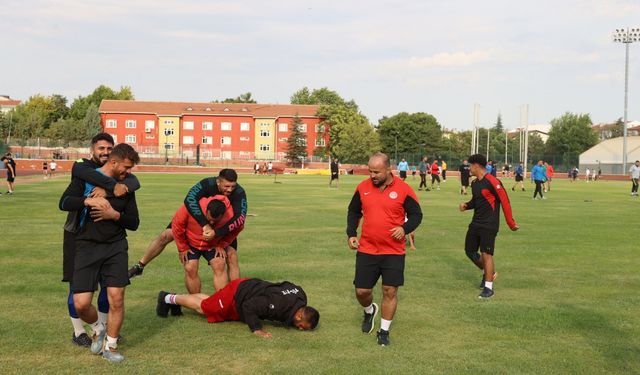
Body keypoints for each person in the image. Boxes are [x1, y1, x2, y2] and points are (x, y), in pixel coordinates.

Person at [59, 143, 141, 363]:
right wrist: (87, 201)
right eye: (126, 167)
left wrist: (114, 215)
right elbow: (64, 202)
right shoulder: (85, 179)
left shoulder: (126, 186)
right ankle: (98, 328)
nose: (129, 172)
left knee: (117, 298)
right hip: (85, 245)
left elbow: (134, 222)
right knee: (82, 304)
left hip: (116, 247)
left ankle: (111, 347)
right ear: (113, 162)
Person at [346, 152, 423, 346]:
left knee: (390, 291)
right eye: (370, 171)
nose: (372, 175)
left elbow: (416, 215)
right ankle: (369, 310)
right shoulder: (363, 187)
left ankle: (384, 331)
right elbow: (354, 211)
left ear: (389, 169)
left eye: (377, 172)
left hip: (393, 252)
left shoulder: (404, 189)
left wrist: (404, 228)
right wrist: (351, 233)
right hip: (367, 249)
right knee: (362, 291)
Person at [128, 169, 247, 278]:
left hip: (222, 227)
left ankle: (235, 293)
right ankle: (140, 266)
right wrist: (204, 224)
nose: (230, 190)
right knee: (165, 236)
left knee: (231, 255)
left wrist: (217, 234)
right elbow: (190, 199)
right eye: (227, 186)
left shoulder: (239, 192)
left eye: (233, 186)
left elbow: (240, 218)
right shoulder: (207, 183)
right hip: (197, 220)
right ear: (218, 182)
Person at [156, 278, 319, 338]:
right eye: (302, 327)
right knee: (205, 308)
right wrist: (256, 329)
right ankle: (167, 298)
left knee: (210, 302)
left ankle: (174, 301)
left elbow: (286, 284)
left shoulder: (300, 295)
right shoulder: (276, 306)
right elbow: (249, 307)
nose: (300, 329)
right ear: (299, 317)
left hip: (251, 286)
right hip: (238, 292)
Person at [459, 154, 518, 299]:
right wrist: (466, 205)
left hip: (489, 224)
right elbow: (476, 201)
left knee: (486, 254)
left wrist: (510, 222)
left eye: (470, 166)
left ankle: (488, 288)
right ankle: (490, 273)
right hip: (476, 223)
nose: (469, 169)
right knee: (470, 251)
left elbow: (505, 201)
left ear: (477, 166)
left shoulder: (493, 181)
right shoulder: (475, 183)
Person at [172, 194, 244, 293]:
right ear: (206, 210)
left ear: (222, 215)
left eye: (215, 221)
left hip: (213, 244)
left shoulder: (230, 215)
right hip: (191, 242)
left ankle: (221, 301)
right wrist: (182, 247)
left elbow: (238, 228)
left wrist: (222, 244)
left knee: (220, 264)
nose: (211, 222)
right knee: (190, 267)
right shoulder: (192, 207)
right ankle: (196, 301)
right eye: (209, 218)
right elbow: (177, 225)